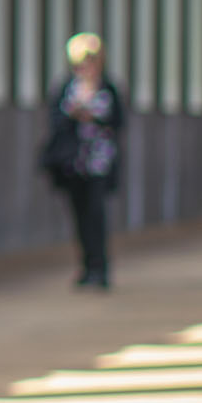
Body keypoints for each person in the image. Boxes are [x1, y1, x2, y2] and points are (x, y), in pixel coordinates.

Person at [41, 32, 125, 289]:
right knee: (78, 215)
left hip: (99, 163)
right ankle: (86, 265)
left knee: (96, 213)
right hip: (73, 163)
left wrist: (95, 118)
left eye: (91, 60)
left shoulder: (107, 88)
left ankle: (100, 267)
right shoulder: (67, 87)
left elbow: (119, 122)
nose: (86, 66)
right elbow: (55, 120)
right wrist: (75, 115)